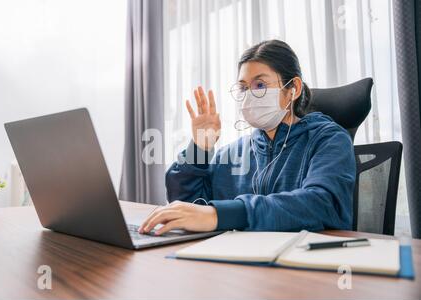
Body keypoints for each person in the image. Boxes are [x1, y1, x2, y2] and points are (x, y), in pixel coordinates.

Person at [139, 40, 356, 236]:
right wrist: (199, 148)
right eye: (243, 87)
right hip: (240, 267)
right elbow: (190, 206)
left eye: (260, 85)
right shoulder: (234, 153)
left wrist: (221, 214)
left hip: (303, 268)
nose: (249, 94)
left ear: (293, 89)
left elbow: (321, 204)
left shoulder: (329, 140)